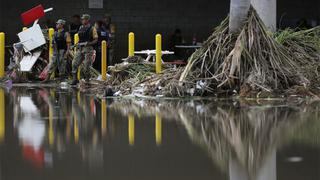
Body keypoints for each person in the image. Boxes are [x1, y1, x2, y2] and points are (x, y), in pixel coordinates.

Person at [71, 14, 98, 85]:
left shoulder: (92, 28)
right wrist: (76, 44)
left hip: (88, 49)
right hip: (80, 48)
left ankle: (87, 80)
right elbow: (80, 38)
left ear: (87, 20)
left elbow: (96, 40)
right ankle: (74, 79)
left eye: (84, 19)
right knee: (74, 63)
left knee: (86, 66)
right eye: (82, 19)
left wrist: (89, 43)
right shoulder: (80, 27)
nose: (82, 20)